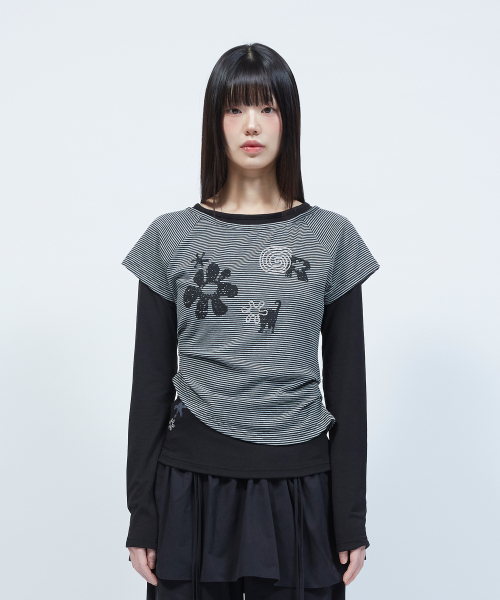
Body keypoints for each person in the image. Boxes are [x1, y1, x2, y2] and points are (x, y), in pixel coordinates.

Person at [121, 43, 380, 600]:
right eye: (235, 109)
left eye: (268, 108)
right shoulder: (169, 237)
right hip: (191, 489)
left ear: (290, 120)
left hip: (300, 488)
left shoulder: (333, 237)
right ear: (215, 122)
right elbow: (149, 386)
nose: (252, 125)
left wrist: (350, 518)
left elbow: (348, 387)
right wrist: (142, 514)